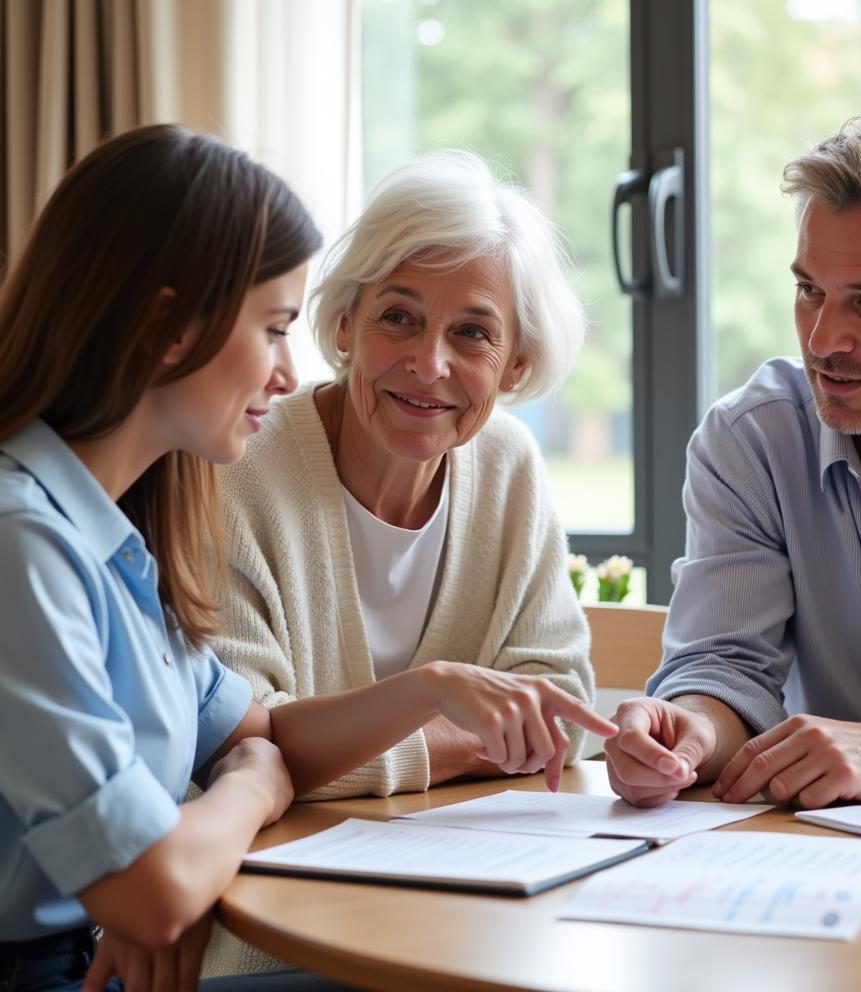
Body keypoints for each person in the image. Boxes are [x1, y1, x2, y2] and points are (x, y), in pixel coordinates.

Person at [0, 125, 617, 992]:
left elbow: (257, 731)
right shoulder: (26, 542)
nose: (290, 373)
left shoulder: (113, 532)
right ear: (168, 328)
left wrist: (424, 689)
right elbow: (155, 888)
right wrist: (253, 786)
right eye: (275, 328)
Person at [605, 109, 861, 811]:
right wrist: (693, 731)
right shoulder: (752, 442)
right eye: (809, 291)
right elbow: (725, 665)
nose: (824, 339)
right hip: (830, 868)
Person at [210, 151, 591, 799]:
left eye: (472, 332)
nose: (429, 362)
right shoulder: (236, 462)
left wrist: (331, 757)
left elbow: (557, 709)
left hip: (461, 865)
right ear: (344, 325)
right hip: (267, 867)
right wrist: (468, 732)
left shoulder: (508, 465)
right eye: (398, 317)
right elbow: (239, 743)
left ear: (515, 367)